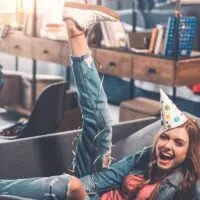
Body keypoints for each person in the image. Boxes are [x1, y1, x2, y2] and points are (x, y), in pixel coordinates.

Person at [0, 2, 200, 200]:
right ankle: (75, 29)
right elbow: (103, 178)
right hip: (92, 192)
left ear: (188, 152)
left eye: (178, 143)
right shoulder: (146, 157)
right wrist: (76, 190)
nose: (167, 145)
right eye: (165, 137)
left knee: (70, 184)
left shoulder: (184, 184)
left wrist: (72, 188)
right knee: (100, 123)